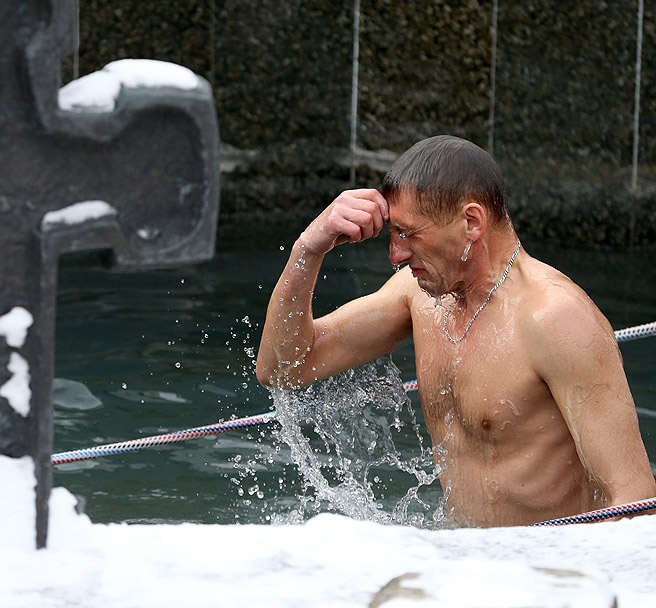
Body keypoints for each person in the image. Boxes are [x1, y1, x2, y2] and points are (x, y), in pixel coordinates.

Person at [256, 135, 656, 526]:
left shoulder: (555, 319)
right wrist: (308, 248)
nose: (395, 254)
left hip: (539, 577)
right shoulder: (421, 296)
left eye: (408, 234)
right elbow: (283, 368)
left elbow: (636, 501)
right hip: (458, 567)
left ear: (471, 222)